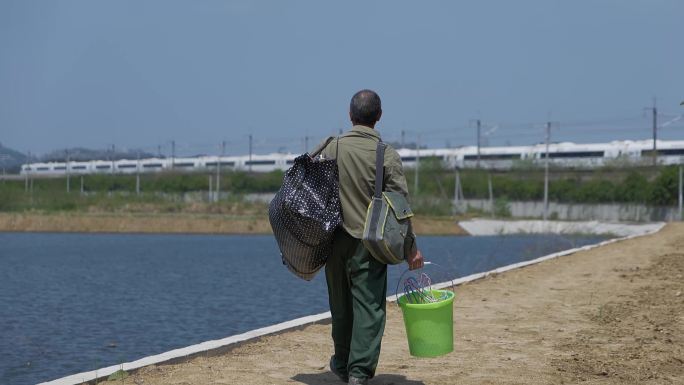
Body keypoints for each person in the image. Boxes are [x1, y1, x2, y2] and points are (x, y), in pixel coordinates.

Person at [313, 89, 424, 385]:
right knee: (369, 308)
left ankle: (341, 362)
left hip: (334, 241)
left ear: (350, 116)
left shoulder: (330, 147)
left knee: (340, 304)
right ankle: (359, 372)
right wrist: (411, 249)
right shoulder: (386, 155)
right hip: (370, 243)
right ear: (379, 117)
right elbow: (400, 207)